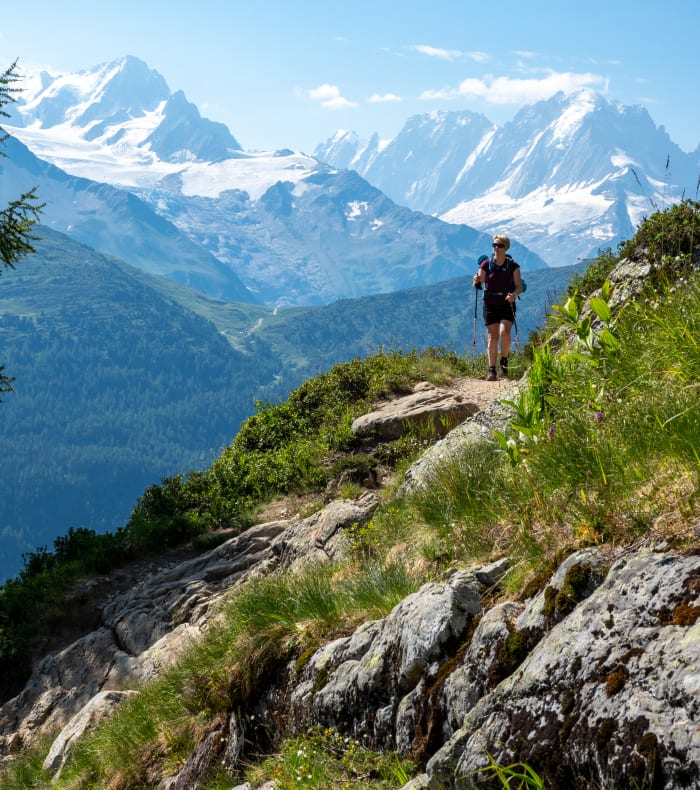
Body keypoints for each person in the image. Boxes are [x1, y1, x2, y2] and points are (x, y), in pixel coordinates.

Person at [472, 234, 523, 381]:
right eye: (494, 245)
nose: (496, 247)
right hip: (490, 304)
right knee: (492, 337)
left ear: (505, 247)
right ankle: (492, 370)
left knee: (504, 333)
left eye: (499, 245)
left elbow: (519, 286)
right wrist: (476, 280)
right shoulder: (486, 264)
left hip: (507, 303)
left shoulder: (513, 266)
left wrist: (514, 295)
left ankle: (504, 359)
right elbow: (479, 282)